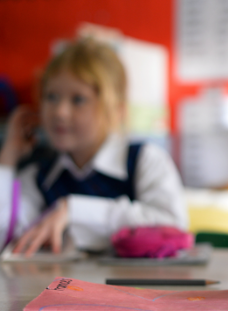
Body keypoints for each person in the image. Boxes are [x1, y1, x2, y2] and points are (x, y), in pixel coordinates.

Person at [0, 37, 188, 255]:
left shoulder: (144, 160)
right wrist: (9, 155)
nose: (60, 111)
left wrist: (74, 210)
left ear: (115, 109)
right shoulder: (40, 175)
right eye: (51, 96)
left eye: (78, 99)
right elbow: (5, 233)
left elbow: (174, 227)